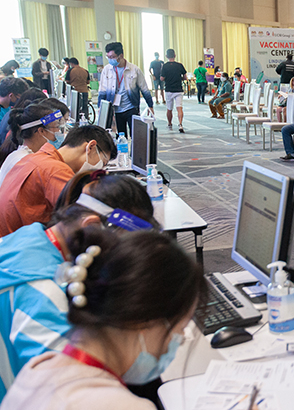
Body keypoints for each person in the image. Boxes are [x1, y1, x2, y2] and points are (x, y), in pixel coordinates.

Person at [0, 226, 207, 410]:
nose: (177, 342)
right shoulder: (124, 406)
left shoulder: (39, 366)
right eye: (179, 330)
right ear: (143, 320)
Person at [0, 170, 159, 402]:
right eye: (120, 247)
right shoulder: (42, 294)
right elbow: (71, 392)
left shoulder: (30, 237)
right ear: (92, 225)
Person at [0, 124, 116, 236]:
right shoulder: (56, 171)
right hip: (24, 246)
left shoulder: (35, 157)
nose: (100, 168)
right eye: (103, 163)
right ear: (91, 147)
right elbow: (83, 217)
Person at [0, 100, 68, 186]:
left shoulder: (20, 154)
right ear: (41, 131)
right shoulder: (26, 162)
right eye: (56, 127)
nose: (59, 132)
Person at [98, 42, 154, 138]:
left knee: (135, 135)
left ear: (121, 55)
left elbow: (144, 89)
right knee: (120, 136)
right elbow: (102, 90)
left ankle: (134, 152)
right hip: (114, 109)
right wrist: (100, 107)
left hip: (131, 107)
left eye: (113, 57)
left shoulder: (134, 69)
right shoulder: (107, 70)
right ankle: (121, 152)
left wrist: (150, 106)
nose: (110, 60)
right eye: (108, 57)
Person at [160, 49, 187, 133]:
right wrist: (180, 78)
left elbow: (162, 78)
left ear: (166, 56)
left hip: (169, 90)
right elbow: (185, 77)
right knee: (179, 107)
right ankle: (180, 124)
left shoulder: (165, 66)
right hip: (178, 89)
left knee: (169, 109)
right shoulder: (180, 65)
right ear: (175, 55)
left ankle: (169, 123)